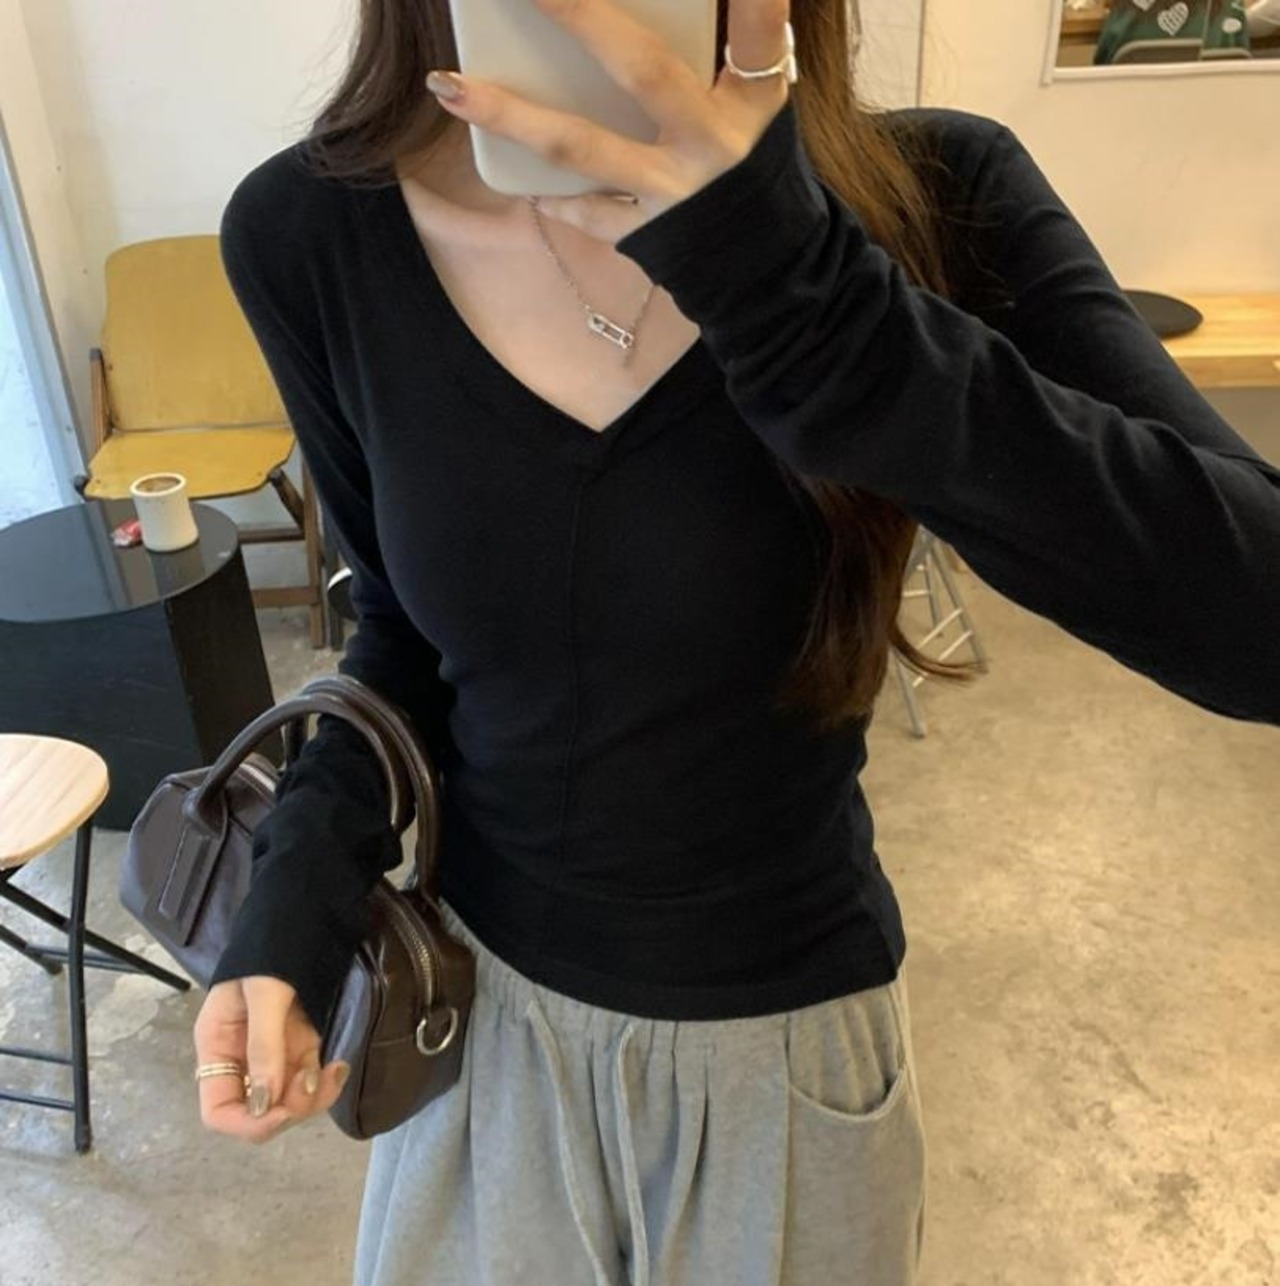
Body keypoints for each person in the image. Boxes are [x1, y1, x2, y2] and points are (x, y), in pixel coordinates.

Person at [195, 0, 1280, 1282]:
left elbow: (1252, 619)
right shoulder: (309, 232)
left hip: (787, 1044)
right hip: (481, 1029)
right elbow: (398, 627)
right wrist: (301, 886)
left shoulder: (929, 195)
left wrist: (800, 291)